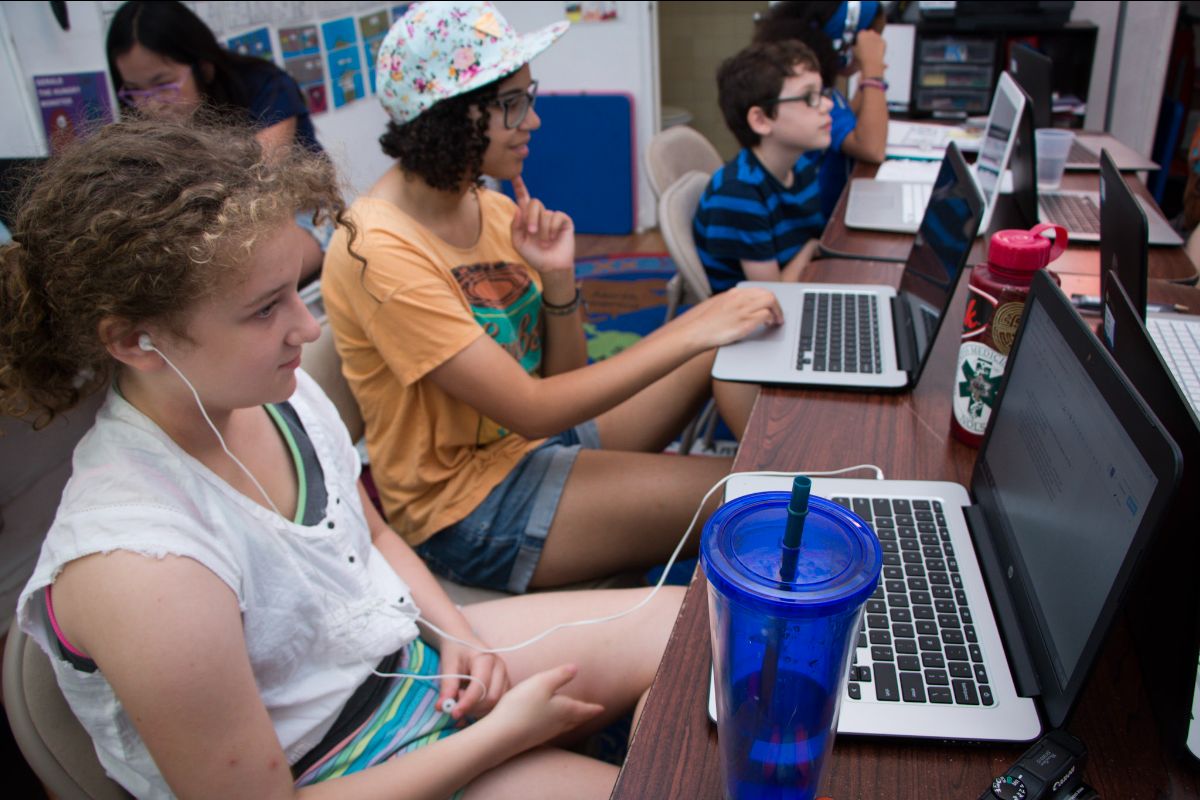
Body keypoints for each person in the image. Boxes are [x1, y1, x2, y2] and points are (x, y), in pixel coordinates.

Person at [0, 118, 685, 799]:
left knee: (697, 622)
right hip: (339, 766)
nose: (308, 328)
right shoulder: (141, 566)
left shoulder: (275, 398)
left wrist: (455, 635)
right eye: (266, 310)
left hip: (400, 667)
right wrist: (500, 737)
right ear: (133, 340)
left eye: (295, 292)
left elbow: (376, 534)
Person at [321, 1, 781, 595]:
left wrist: (559, 282)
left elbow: (565, 382)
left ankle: (786, 466)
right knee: (755, 500)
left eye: (527, 96)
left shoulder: (489, 207)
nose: (532, 121)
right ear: (449, 116)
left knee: (722, 349)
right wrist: (690, 329)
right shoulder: (376, 248)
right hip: (469, 510)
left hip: (531, 445)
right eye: (512, 104)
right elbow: (532, 408)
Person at [106, 0, 327, 283]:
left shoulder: (266, 87)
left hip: (304, 217)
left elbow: (255, 188)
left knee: (235, 284)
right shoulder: (142, 132)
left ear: (204, 67)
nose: (151, 105)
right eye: (135, 91)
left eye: (163, 84)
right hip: (220, 243)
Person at [692, 40, 832, 293]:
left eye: (822, 94)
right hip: (751, 321)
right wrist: (812, 247)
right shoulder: (739, 193)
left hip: (798, 286)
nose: (828, 105)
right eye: (810, 97)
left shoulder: (800, 166)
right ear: (761, 119)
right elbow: (771, 297)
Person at [754, 0, 889, 219]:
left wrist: (868, 78)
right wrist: (873, 72)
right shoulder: (812, 100)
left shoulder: (825, 94)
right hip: (820, 225)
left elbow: (847, 118)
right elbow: (872, 149)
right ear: (843, 44)